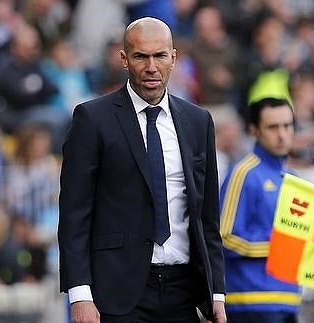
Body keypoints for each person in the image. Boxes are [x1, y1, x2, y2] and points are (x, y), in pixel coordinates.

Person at [58, 17, 227, 323]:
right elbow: (74, 214)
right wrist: (80, 294)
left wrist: (216, 293)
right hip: (117, 292)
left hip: (185, 291)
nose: (151, 66)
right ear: (124, 59)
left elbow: (207, 217)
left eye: (160, 55)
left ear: (173, 59)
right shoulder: (92, 119)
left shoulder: (198, 121)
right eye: (141, 56)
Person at [219, 97, 300, 323]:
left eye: (287, 125)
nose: (282, 134)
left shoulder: (294, 179)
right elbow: (224, 237)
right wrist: (279, 247)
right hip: (250, 300)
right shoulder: (243, 172)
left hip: (288, 299)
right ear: (254, 130)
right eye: (273, 127)